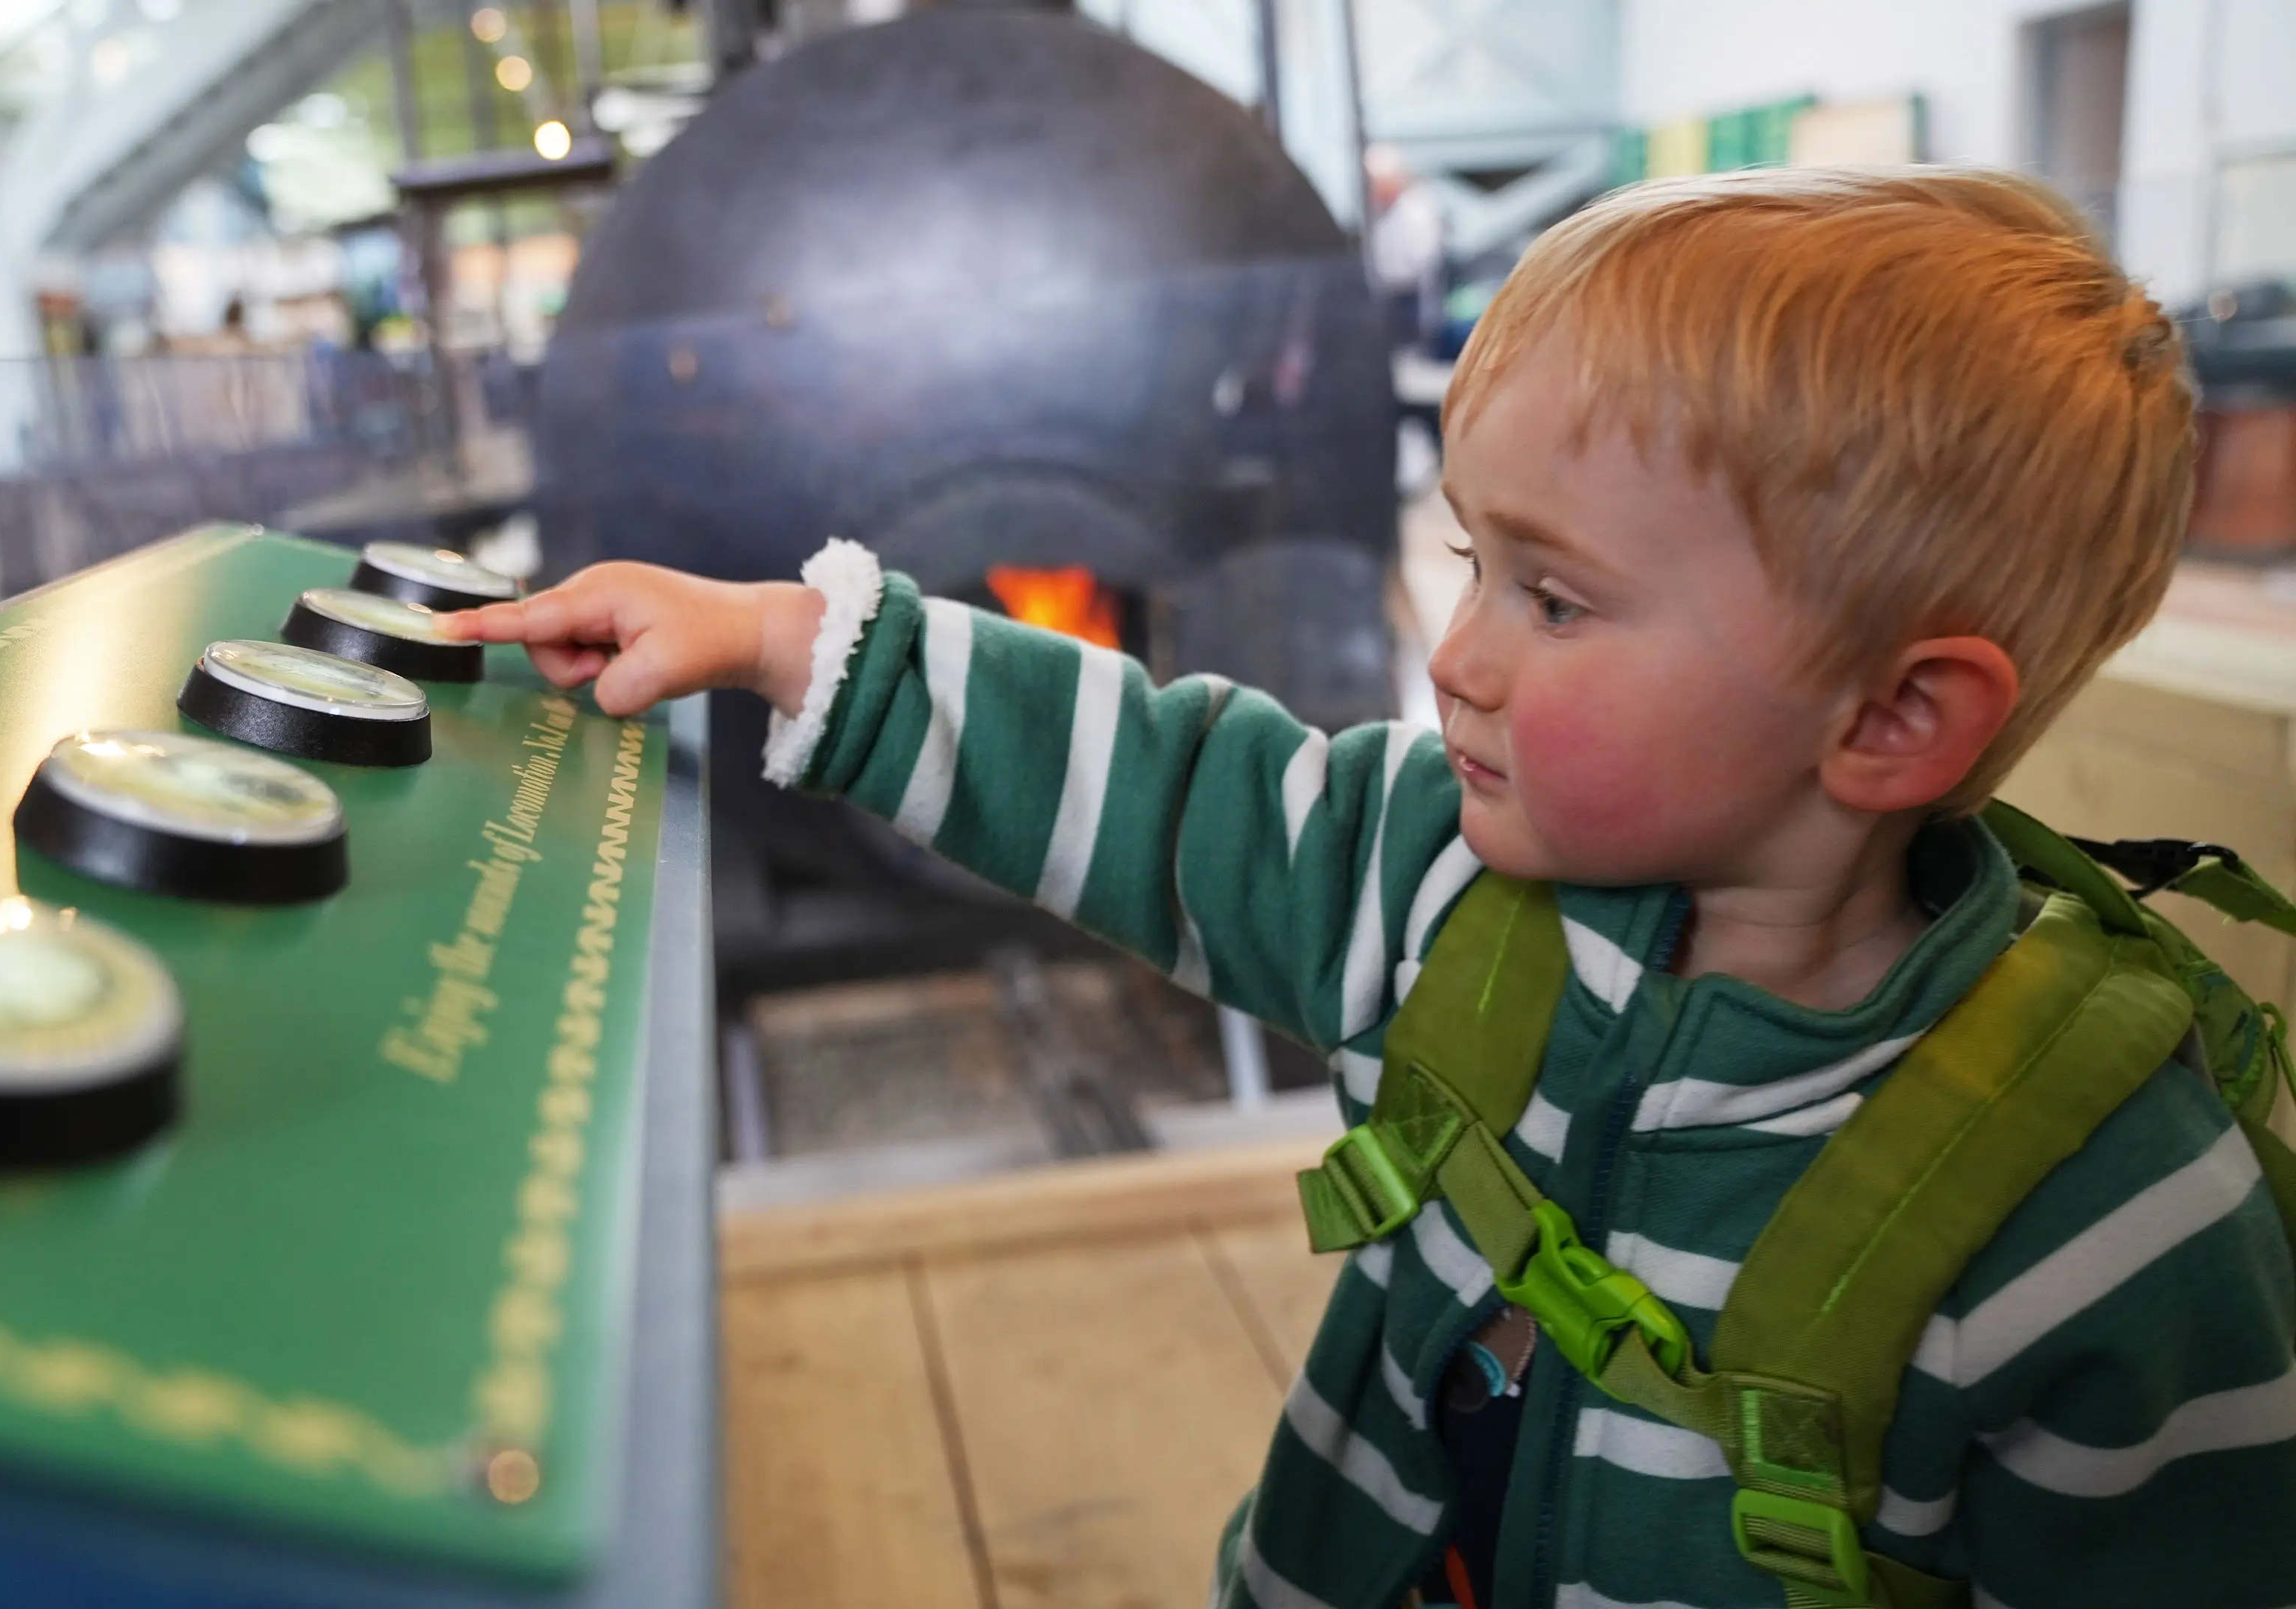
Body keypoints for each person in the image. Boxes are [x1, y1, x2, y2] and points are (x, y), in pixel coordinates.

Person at [442, 168, 2295, 1607]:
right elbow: (1167, 783)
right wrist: (790, 644)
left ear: (1891, 718)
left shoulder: (2100, 1209)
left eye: (1554, 600)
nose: (1460, 657)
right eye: (1473, 560)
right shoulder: (1434, 884)